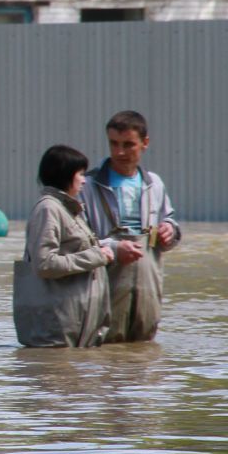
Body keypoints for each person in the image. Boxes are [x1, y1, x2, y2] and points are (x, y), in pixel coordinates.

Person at [13, 145, 138, 347]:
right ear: (65, 176)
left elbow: (80, 248)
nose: (84, 180)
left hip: (74, 325)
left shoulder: (68, 208)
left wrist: (110, 249)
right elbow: (45, 264)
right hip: (58, 328)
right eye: (80, 174)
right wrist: (97, 257)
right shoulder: (48, 209)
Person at [81, 109, 182, 342]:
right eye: (113, 143)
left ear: (145, 143)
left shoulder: (153, 183)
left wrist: (170, 230)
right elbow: (79, 240)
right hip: (105, 278)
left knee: (144, 347)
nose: (119, 152)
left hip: (148, 278)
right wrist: (115, 248)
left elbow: (170, 220)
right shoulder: (88, 185)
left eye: (128, 144)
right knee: (104, 345)